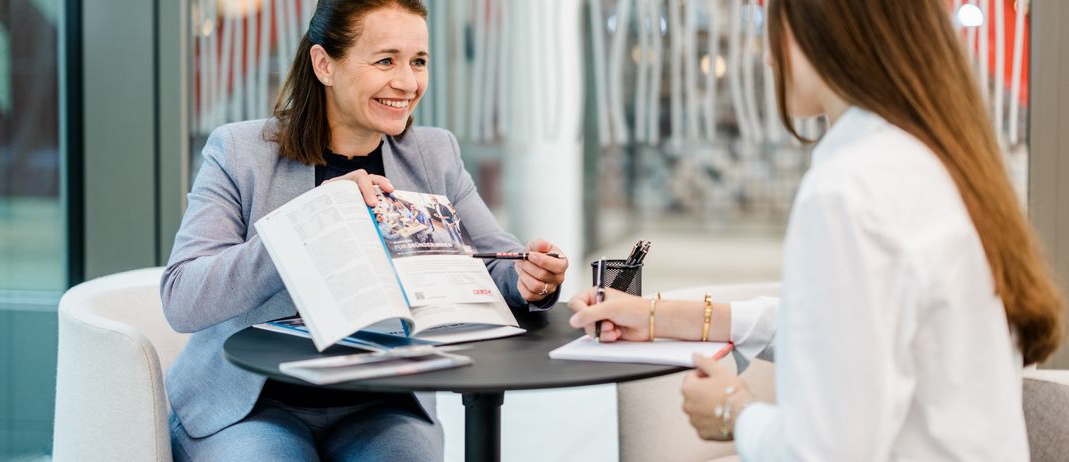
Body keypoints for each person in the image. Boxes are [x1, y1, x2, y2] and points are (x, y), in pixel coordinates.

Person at [568, 1, 1064, 459]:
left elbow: (826, 451)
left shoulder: (847, 191)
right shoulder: (936, 161)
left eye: (774, 22)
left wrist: (734, 412)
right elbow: (846, 327)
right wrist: (656, 316)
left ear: (824, 24)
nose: (767, 57)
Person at [160, 1, 569, 460]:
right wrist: (311, 223)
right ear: (324, 64)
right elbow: (183, 299)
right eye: (385, 60)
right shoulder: (239, 152)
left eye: (418, 61)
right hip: (252, 405)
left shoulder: (434, 153)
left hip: (382, 403)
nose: (408, 82)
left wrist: (531, 281)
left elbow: (496, 261)